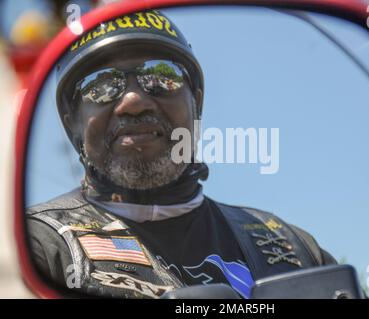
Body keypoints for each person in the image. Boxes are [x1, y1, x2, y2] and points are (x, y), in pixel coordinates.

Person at [26, 9, 336, 299]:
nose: (134, 101)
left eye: (161, 77)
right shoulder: (35, 245)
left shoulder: (292, 249)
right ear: (72, 123)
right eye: (102, 85)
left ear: (196, 105)